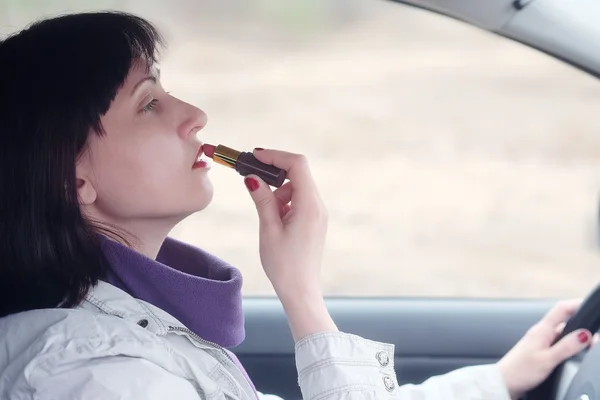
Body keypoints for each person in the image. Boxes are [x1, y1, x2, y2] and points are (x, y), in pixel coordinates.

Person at [0, 11, 592, 400]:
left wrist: (498, 381)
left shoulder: (132, 335)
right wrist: (303, 295)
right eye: (149, 104)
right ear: (73, 178)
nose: (195, 115)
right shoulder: (93, 375)